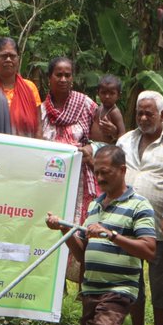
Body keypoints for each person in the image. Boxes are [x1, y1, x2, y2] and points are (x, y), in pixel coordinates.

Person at [45, 146, 157, 325]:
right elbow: (84, 254)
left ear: (122, 171)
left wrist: (112, 235)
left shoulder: (139, 206)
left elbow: (150, 250)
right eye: (97, 173)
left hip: (119, 290)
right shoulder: (95, 206)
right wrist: (64, 231)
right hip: (91, 291)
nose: (100, 179)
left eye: (105, 172)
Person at [115, 90, 163, 325]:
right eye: (139, 112)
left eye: (148, 113)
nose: (142, 117)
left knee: (162, 284)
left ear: (162, 114)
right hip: (128, 225)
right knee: (133, 283)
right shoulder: (125, 140)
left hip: (160, 224)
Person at [41, 57, 101, 283]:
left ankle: (84, 290)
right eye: (59, 74)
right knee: (52, 227)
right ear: (50, 78)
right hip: (51, 183)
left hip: (81, 184)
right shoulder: (42, 112)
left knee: (81, 232)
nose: (64, 79)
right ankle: (53, 288)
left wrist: (88, 149)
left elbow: (100, 143)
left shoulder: (86, 105)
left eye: (68, 75)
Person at [91, 74, 125, 144]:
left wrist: (114, 133)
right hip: (92, 143)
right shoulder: (99, 108)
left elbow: (123, 134)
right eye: (103, 93)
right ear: (98, 93)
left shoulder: (115, 112)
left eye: (112, 93)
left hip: (106, 147)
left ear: (118, 95)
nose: (107, 96)